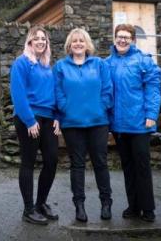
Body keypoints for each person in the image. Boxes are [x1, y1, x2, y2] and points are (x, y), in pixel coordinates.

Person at [53, 28, 113, 222]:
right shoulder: (60, 66)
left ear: (88, 44)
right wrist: (65, 108)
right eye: (74, 41)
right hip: (72, 123)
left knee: (100, 163)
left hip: (98, 122)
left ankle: (106, 203)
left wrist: (101, 107)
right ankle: (79, 206)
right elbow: (57, 92)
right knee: (77, 165)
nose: (78, 44)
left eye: (82, 40)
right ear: (69, 45)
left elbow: (108, 90)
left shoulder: (99, 64)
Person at [105, 24, 161, 222]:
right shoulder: (107, 63)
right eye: (119, 37)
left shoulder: (143, 61)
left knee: (142, 167)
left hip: (139, 124)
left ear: (133, 40)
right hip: (119, 126)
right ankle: (133, 207)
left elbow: (153, 88)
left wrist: (151, 114)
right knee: (128, 168)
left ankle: (148, 209)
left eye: (126, 37)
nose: (122, 40)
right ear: (114, 39)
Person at [10, 26, 62, 225]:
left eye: (44, 39)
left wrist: (58, 116)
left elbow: (55, 94)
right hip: (29, 118)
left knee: (52, 160)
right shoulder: (21, 63)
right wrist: (30, 120)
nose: (41, 41)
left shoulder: (47, 66)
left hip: (49, 118)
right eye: (36, 38)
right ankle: (28, 209)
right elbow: (18, 93)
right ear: (30, 42)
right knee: (28, 162)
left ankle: (41, 203)